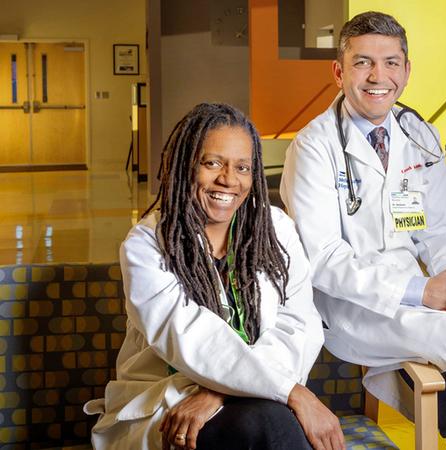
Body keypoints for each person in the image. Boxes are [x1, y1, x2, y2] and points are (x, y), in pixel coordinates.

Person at [280, 11, 446, 450]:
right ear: (339, 71)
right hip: (350, 308)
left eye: (391, 62)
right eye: (363, 62)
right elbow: (323, 261)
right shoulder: (314, 146)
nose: (378, 76)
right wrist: (424, 291)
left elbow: (437, 227)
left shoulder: (418, 134)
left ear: (407, 69)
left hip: (414, 295)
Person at [85, 103, 345, 450]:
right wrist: (291, 391)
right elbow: (190, 339)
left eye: (242, 167)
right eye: (212, 163)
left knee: (271, 422)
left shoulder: (277, 230)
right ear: (185, 165)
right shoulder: (148, 244)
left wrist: (219, 391)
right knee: (271, 423)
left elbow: (299, 326)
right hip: (174, 405)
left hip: (255, 398)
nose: (228, 179)